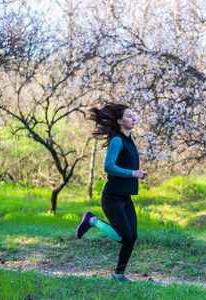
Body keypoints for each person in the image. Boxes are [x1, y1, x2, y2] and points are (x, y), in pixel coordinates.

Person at [76, 102, 147, 283]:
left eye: (134, 115)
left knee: (132, 237)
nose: (134, 118)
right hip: (112, 198)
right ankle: (91, 220)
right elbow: (109, 166)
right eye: (129, 116)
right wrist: (133, 173)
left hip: (125, 198)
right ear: (120, 120)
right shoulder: (117, 140)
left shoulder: (130, 140)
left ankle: (118, 275)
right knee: (124, 236)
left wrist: (137, 173)